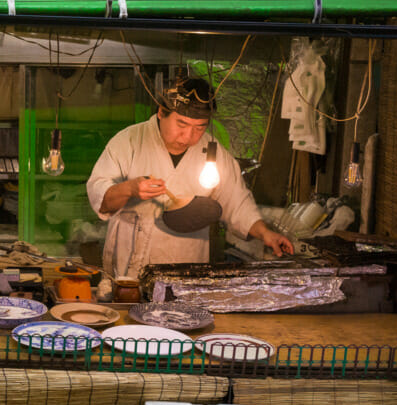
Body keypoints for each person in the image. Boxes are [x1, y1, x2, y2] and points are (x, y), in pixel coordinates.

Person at [85, 76, 293, 277]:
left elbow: (237, 202)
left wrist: (265, 233)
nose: (188, 137)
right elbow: (100, 198)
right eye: (181, 125)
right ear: (161, 113)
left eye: (199, 128)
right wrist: (129, 188)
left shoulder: (213, 152)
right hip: (130, 269)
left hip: (185, 266)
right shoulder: (129, 141)